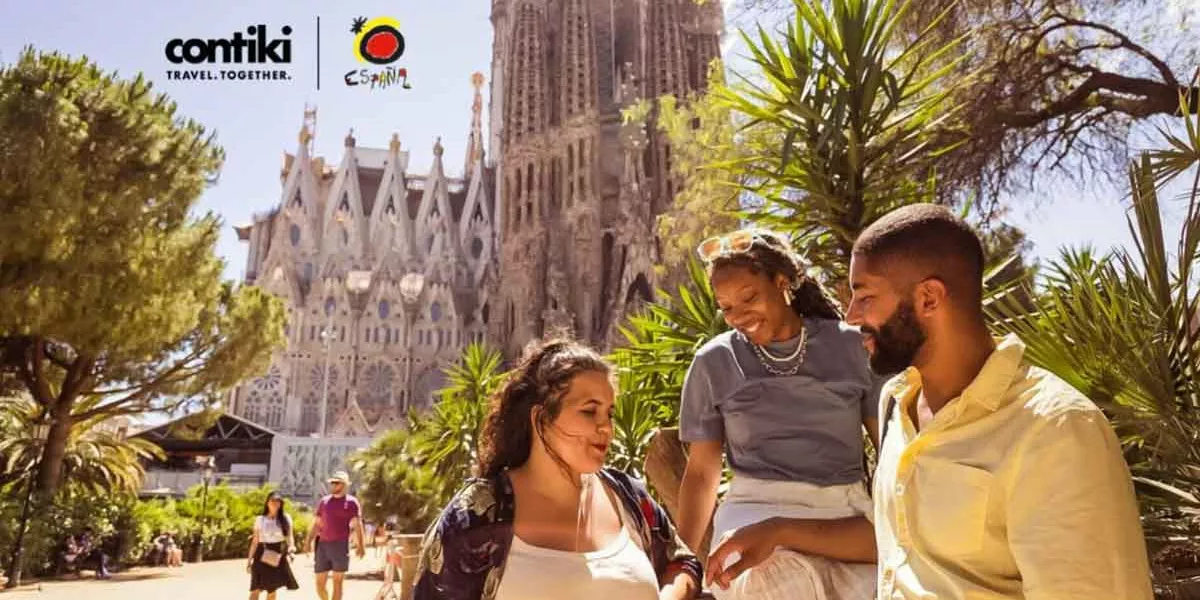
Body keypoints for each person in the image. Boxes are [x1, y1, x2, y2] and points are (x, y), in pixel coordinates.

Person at [844, 203, 1153, 598]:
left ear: (929, 298)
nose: (850, 316)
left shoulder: (1054, 429)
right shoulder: (895, 402)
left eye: (865, 297)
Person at [413, 339, 703, 600]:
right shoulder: (478, 513)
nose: (606, 427)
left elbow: (682, 562)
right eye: (589, 411)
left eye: (609, 413)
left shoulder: (628, 497)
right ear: (541, 418)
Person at [678, 229, 881, 600]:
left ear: (782, 282)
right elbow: (702, 473)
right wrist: (682, 564)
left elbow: (889, 448)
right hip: (753, 512)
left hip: (843, 513)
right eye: (726, 307)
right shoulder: (715, 362)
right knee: (774, 582)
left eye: (749, 298)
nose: (738, 316)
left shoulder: (852, 346)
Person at [305, 471, 366, 600]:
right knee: (319, 585)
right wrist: (308, 541)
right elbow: (316, 523)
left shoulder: (352, 502)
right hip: (323, 545)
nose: (333, 485)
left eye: (337, 483)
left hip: (340, 545)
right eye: (332, 482)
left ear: (345, 485)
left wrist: (361, 545)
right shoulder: (324, 501)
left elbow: (357, 524)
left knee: (337, 583)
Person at [247, 491, 300, 599]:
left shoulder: (285, 518)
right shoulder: (259, 520)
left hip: (277, 554)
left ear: (281, 504)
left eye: (278, 501)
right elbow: (255, 541)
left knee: (272, 589)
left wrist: (291, 549)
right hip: (261, 553)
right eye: (272, 501)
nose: (275, 503)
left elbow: (289, 536)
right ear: (267, 502)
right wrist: (249, 560)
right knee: (255, 588)